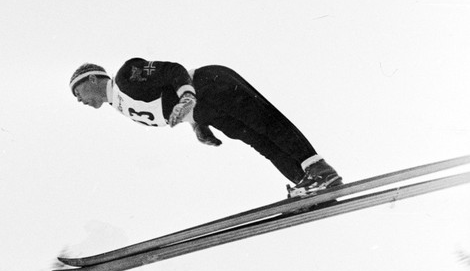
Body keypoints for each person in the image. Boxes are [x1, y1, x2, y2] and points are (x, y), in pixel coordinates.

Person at [69, 58, 342, 197]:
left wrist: (188, 96)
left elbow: (172, 71)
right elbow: (166, 101)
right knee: (260, 142)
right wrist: (196, 125)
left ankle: (320, 171)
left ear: (92, 78)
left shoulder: (125, 76)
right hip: (206, 108)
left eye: (77, 91)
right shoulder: (119, 104)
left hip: (210, 84)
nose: (79, 100)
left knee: (267, 124)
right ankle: (307, 185)